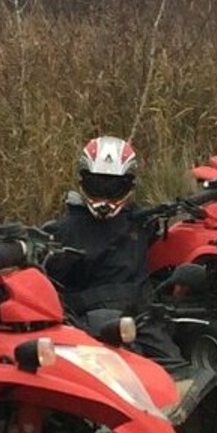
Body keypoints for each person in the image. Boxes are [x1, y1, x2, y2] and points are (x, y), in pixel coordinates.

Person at [42, 135, 159, 319]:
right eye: (97, 186)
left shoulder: (145, 222)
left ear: (129, 186)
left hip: (140, 318)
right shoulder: (61, 232)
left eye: (113, 189)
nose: (104, 198)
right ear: (83, 182)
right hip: (85, 321)